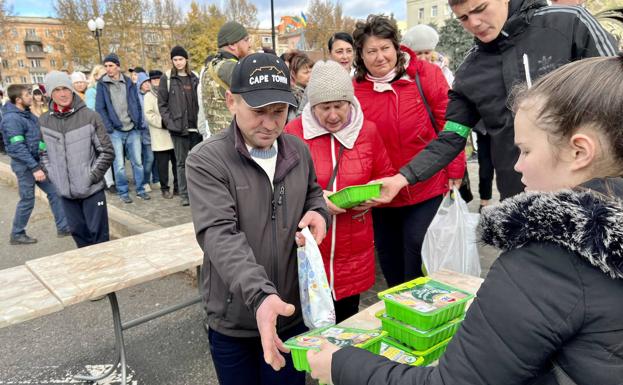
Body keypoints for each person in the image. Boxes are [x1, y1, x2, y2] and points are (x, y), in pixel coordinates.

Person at [307, 52, 623, 385]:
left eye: (526, 151)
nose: (517, 166)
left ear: (579, 152)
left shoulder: (546, 261)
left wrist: (341, 365)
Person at [374, 0, 618, 205]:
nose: (474, 23)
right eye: (463, 18)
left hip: (595, 192)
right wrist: (401, 178)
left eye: (480, 8)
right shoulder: (470, 72)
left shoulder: (568, 23)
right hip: (521, 198)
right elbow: (452, 137)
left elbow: (615, 89)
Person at [186, 52, 331, 385]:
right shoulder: (207, 160)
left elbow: (312, 193)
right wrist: (261, 296)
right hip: (235, 317)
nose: (269, 124)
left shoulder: (298, 150)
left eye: (278, 112)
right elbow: (219, 234)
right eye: (258, 112)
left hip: (290, 313)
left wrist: (319, 212)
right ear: (231, 101)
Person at [352, 15, 466, 287]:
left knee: (416, 250)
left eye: (385, 48)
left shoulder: (426, 75)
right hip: (380, 192)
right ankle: (399, 312)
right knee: (390, 256)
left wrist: (455, 167)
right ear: (361, 55)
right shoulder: (354, 90)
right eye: (371, 51)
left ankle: (422, 310)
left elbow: (449, 126)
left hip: (425, 184)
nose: (380, 57)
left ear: (397, 47)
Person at [285, 60, 394, 322]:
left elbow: (385, 175)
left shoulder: (367, 131)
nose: (333, 115)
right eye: (325, 107)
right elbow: (279, 187)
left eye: (339, 106)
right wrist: (315, 200)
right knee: (308, 322)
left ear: (350, 102)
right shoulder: (293, 132)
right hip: (311, 245)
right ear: (312, 105)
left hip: (353, 244)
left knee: (346, 321)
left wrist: (373, 195)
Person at [39, 71, 114, 248]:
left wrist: (91, 177)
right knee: (79, 236)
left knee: (100, 239)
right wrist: (54, 177)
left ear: (72, 89)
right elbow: (43, 153)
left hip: (91, 190)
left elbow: (107, 152)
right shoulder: (43, 121)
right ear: (50, 93)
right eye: (57, 90)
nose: (63, 94)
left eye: (65, 88)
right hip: (65, 193)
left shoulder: (90, 116)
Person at [0, 84, 71, 245]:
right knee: (27, 199)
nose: (31, 97)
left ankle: (63, 227)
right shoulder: (11, 119)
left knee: (55, 192)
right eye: (27, 95)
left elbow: (38, 136)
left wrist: (44, 149)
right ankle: (17, 234)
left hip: (36, 162)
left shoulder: (26, 114)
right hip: (25, 166)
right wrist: (35, 168)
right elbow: (17, 147)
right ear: (18, 100)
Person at [96, 53, 148, 204]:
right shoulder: (102, 84)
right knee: (118, 165)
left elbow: (136, 103)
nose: (108, 69)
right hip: (115, 131)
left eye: (111, 66)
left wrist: (138, 121)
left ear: (118, 66)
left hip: (133, 128)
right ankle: (123, 191)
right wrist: (109, 127)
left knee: (138, 161)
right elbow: (100, 108)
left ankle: (140, 189)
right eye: (106, 66)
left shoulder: (128, 82)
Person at [158, 46, 200, 207]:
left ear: (186, 59)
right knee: (181, 163)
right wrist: (170, 123)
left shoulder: (194, 76)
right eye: (175, 59)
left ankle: (197, 192)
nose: (178, 62)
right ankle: (184, 194)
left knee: (197, 163)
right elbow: (162, 104)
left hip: (195, 127)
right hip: (178, 129)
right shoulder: (167, 78)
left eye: (181, 59)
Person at [200, 21, 251, 137]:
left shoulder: (210, 66)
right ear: (232, 45)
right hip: (234, 139)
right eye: (246, 40)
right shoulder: (232, 68)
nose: (249, 45)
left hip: (219, 139)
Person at [144, 70, 178, 199]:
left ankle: (177, 187)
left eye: (159, 79)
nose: (157, 82)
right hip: (159, 134)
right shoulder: (149, 96)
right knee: (162, 166)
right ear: (150, 81)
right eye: (154, 80)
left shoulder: (169, 93)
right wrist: (164, 123)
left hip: (173, 133)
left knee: (176, 163)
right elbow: (149, 115)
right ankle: (165, 188)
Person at [85, 64, 115, 193]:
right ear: (96, 76)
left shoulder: (109, 87)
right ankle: (109, 183)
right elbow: (93, 110)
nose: (105, 76)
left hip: (111, 125)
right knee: (104, 155)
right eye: (102, 74)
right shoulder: (92, 91)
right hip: (100, 127)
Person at [136, 71, 158, 193]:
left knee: (156, 158)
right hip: (144, 132)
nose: (147, 84)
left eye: (147, 82)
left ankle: (156, 179)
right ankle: (145, 181)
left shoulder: (153, 94)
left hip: (155, 130)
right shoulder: (137, 96)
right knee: (148, 158)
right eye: (144, 82)